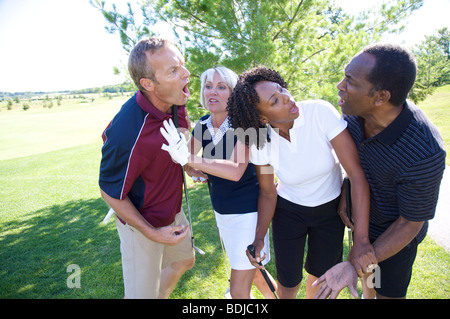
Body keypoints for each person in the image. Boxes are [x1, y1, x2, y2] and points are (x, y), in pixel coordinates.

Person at [225, 66, 377, 299]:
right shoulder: (258, 139)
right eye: (275, 100)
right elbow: (267, 193)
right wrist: (258, 238)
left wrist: (362, 240)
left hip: (330, 211)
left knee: (321, 281)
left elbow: (356, 175)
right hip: (289, 212)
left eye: (282, 89)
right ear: (262, 118)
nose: (287, 97)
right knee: (288, 283)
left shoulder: (320, 112)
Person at [313, 43, 446, 299]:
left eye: (350, 81)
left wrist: (353, 264)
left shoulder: (425, 151)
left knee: (385, 293)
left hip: (395, 234)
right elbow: (352, 167)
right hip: (361, 223)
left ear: (381, 97)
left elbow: (409, 223)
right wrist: (345, 192)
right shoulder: (351, 115)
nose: (340, 86)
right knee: (368, 286)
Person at [163, 66, 277, 299]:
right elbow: (186, 162)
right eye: (208, 86)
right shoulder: (203, 125)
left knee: (238, 291)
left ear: (233, 93)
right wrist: (194, 168)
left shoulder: (245, 124)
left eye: (221, 87)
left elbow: (236, 171)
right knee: (255, 273)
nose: (212, 92)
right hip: (222, 211)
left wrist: (191, 159)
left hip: (248, 213)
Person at [98, 37, 195, 299]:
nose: (186, 74)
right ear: (148, 84)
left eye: (182, 65)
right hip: (141, 225)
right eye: (173, 71)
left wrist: (185, 155)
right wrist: (153, 233)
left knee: (184, 261)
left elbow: (181, 130)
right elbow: (108, 190)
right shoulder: (128, 130)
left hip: (173, 213)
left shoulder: (175, 98)